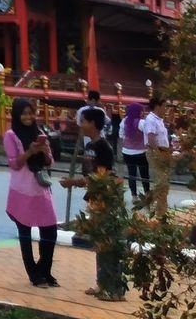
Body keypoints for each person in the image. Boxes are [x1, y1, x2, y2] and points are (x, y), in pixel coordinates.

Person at [61, 107, 127, 302]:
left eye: (84, 121)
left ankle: (115, 289)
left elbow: (101, 178)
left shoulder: (103, 148)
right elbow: (88, 175)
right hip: (95, 198)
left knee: (108, 242)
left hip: (105, 199)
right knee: (100, 241)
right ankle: (102, 284)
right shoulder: (90, 146)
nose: (81, 124)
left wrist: (73, 182)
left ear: (93, 124)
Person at [4, 98, 59, 288]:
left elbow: (50, 162)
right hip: (21, 190)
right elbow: (14, 163)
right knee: (25, 233)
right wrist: (29, 152)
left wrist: (44, 150)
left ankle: (44, 271)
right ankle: (34, 275)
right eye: (24, 113)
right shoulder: (11, 135)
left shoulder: (40, 133)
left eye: (31, 113)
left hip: (41, 189)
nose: (28, 117)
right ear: (17, 115)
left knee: (50, 230)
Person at [140, 96, 172, 217]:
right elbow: (151, 137)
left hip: (163, 152)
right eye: (165, 106)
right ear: (158, 106)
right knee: (161, 182)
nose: (166, 109)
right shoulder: (151, 120)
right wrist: (158, 154)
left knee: (164, 183)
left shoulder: (159, 120)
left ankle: (162, 211)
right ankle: (148, 201)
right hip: (156, 153)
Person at [120, 102, 150, 201]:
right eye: (142, 111)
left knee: (131, 174)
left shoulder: (124, 121)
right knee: (144, 175)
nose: (143, 113)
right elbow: (147, 134)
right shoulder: (141, 122)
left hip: (127, 152)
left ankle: (134, 196)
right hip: (140, 152)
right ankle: (147, 195)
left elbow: (121, 135)